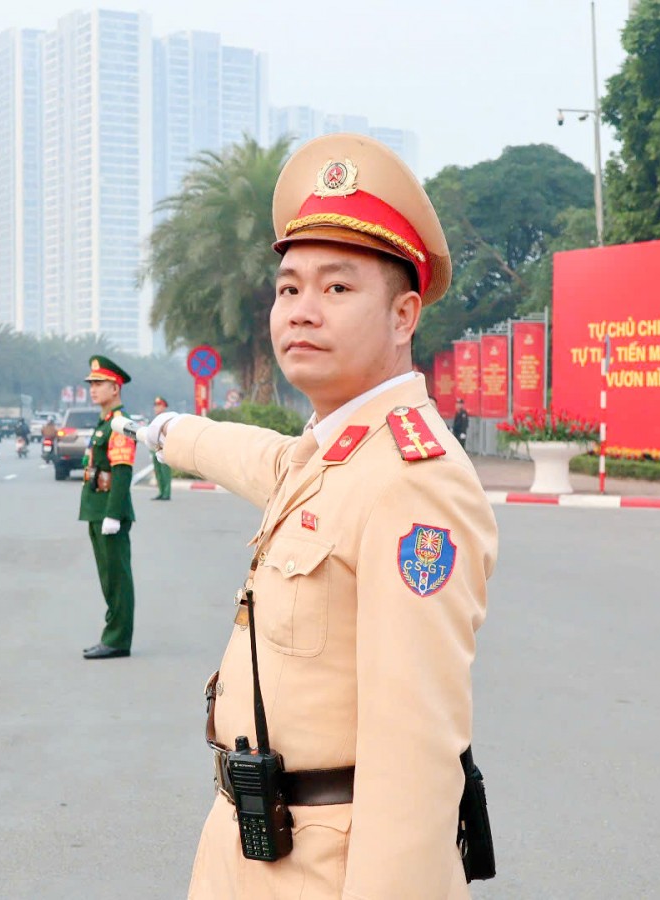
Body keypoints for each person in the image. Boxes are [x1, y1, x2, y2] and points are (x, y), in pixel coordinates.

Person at [124, 134, 497, 898]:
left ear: (403, 315)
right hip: (249, 848)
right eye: (289, 288)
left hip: (325, 868)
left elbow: (415, 752)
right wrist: (167, 433)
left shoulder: (411, 482)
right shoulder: (332, 453)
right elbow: (256, 457)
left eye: (336, 289)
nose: (302, 311)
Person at [79, 356, 137, 660]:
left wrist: (114, 514)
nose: (93, 389)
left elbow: (123, 470)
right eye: (91, 384)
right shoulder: (105, 421)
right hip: (96, 507)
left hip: (108, 511)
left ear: (115, 388)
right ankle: (112, 635)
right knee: (107, 577)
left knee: (117, 578)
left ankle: (117, 639)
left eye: (99, 384)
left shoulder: (120, 423)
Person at [151, 396, 173, 500]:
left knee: (165, 472)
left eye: (159, 405)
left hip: (165, 448)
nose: (156, 408)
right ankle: (161, 491)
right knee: (158, 471)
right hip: (155, 448)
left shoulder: (168, 419)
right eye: (155, 406)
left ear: (164, 407)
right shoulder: (155, 419)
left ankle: (166, 493)